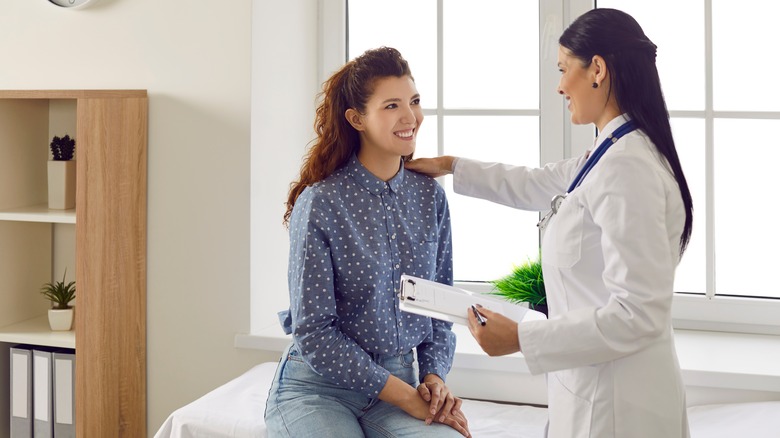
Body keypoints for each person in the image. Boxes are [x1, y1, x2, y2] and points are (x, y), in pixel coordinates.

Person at [405, 8, 693, 438]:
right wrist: (450, 166)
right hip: (590, 389)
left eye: (563, 70)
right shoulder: (610, 149)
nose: (560, 86)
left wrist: (522, 339)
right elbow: (537, 183)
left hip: (617, 407)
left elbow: (638, 314)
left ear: (596, 69)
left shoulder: (629, 167)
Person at [264, 46, 470, 438]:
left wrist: (433, 379)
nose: (411, 117)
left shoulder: (430, 198)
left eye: (414, 101)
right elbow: (314, 332)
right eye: (392, 105)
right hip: (318, 390)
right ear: (357, 119)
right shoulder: (321, 202)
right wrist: (405, 396)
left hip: (401, 383)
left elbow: (440, 307)